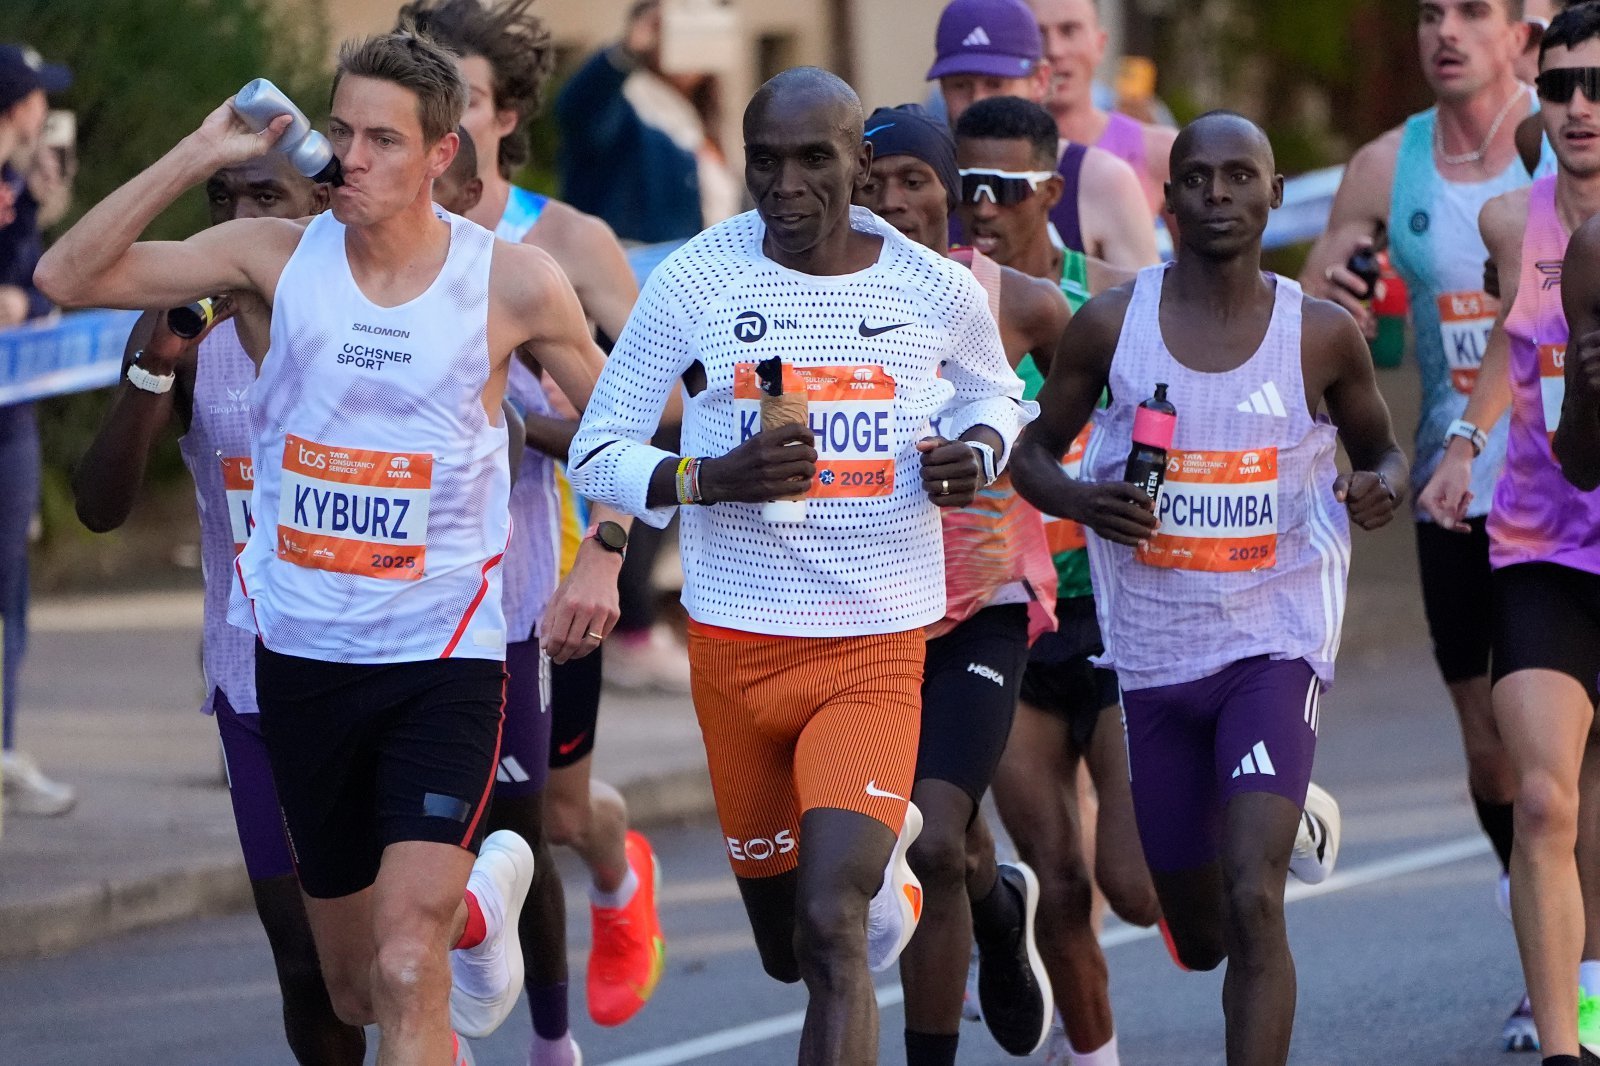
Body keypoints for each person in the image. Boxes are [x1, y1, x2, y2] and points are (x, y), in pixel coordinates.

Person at [36, 30, 612, 1061]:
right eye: (340, 132)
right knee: (351, 986)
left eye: (382, 140)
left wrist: (603, 554)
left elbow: (618, 426)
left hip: (443, 662)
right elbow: (66, 274)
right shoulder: (272, 255)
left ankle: (456, 918)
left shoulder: (512, 281)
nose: (350, 157)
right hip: (300, 663)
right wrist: (202, 148)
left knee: (406, 965)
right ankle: (479, 907)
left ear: (441, 154)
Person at [569, 67, 1035, 1065]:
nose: (785, 186)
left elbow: (997, 393)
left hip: (875, 644)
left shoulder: (932, 287)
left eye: (813, 159)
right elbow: (596, 448)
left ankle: (870, 877)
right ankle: (883, 879)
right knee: (787, 949)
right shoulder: (697, 278)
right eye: (765, 162)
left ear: (860, 165)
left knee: (832, 927)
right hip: (736, 646)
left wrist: (977, 450)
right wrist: (707, 478)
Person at [1012, 111, 1406, 1066]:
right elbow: (1031, 454)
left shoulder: (1320, 335)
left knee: (1254, 898)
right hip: (1154, 658)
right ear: (1170, 199)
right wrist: (1083, 500)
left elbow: (1382, 451)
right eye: (1197, 178)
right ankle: (1282, 815)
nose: (1218, 194)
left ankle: (1270, 810)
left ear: (1275, 195)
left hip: (1274, 642)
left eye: (1239, 177)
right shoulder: (1112, 325)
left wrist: (1378, 487)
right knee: (1197, 932)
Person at [398, 2, 670, 1051]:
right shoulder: (373, 235)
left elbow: (658, 398)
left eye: (461, 97)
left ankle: (616, 865)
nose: (439, 117)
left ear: (505, 115)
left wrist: (565, 404)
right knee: (447, 825)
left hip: (545, 568)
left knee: (550, 816)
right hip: (414, 577)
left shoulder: (564, 241)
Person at [68, 156, 366, 1066]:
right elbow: (99, 509)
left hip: (382, 670)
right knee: (303, 960)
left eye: (263, 197)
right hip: (253, 678)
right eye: (222, 198)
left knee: (389, 948)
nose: (235, 217)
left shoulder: (370, 312)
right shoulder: (183, 326)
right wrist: (154, 372)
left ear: (320, 204)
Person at [1300, 2, 1544, 1045]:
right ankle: (1537, 906)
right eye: (1429, 12)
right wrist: (1344, 299)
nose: (1445, 31)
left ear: (1521, 31)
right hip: (1456, 484)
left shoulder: (1566, 133)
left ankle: (1563, 962)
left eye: (1472, 11)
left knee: (1557, 750)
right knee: (1491, 751)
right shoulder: (1381, 169)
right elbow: (1315, 312)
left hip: (1562, 481)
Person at [953, 91, 1160, 1066]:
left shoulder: (1118, 300)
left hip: (1115, 614)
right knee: (1058, 881)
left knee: (1137, 888)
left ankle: (1246, 814)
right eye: (966, 186)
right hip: (1009, 621)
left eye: (1003, 188)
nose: (980, 206)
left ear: (1051, 190)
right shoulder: (935, 304)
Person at [855, 102, 1064, 1065]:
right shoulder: (819, 302)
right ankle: (998, 898)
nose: (894, 200)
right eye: (874, 183)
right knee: (926, 845)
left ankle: (985, 924)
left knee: (931, 841)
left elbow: (1081, 404)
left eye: (915, 180)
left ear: (953, 193)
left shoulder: (1016, 301)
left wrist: (1040, 471)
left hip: (983, 607)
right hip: (867, 612)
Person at [1419, 9, 1600, 1062]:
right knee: (1541, 798)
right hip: (1541, 540)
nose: (1580, 106)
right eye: (1563, 85)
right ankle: (1564, 1046)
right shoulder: (1508, 223)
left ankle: (1592, 981)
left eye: (1599, 86)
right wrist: (1462, 442)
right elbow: (1508, 342)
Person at [927, 0, 1157, 272]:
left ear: (1040, 81)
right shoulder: (922, 183)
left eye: (995, 83)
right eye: (960, 85)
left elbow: (1144, 297)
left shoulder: (1104, 181)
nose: (978, 99)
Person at [0, 42, 73, 817]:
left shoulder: (17, 186)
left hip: (13, 412)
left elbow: (40, 284)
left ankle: (5, 748)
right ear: (18, 106)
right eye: (39, 98)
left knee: (11, 589)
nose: (47, 113)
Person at [556, 0, 741, 242]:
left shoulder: (698, 116)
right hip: (633, 259)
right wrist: (627, 50)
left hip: (701, 258)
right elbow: (579, 111)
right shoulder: (626, 102)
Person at [1023, 0, 1177, 217]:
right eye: (1037, 34)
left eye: (1069, 30)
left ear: (1100, 44)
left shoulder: (1159, 153)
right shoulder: (991, 155)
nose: (1054, 50)